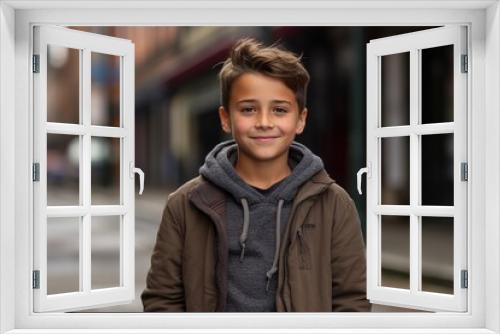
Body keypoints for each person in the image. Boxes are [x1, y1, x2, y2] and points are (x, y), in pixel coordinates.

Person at [141, 37, 370, 312]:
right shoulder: (185, 205)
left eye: (279, 110)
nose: (264, 122)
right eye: (248, 109)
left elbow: (351, 303)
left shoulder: (334, 205)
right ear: (226, 118)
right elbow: (162, 302)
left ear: (301, 119)